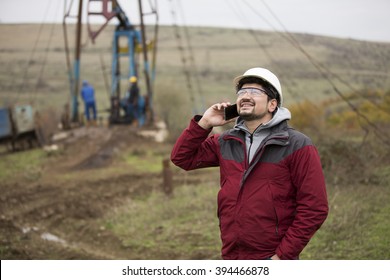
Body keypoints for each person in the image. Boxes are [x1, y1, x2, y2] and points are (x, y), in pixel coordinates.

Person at [171, 67, 329, 260]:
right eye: (242, 92)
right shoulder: (226, 141)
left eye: (255, 91)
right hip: (232, 254)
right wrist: (205, 123)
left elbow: (314, 207)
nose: (246, 95)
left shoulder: (297, 145)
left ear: (272, 104)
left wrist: (282, 256)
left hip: (271, 257)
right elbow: (182, 158)